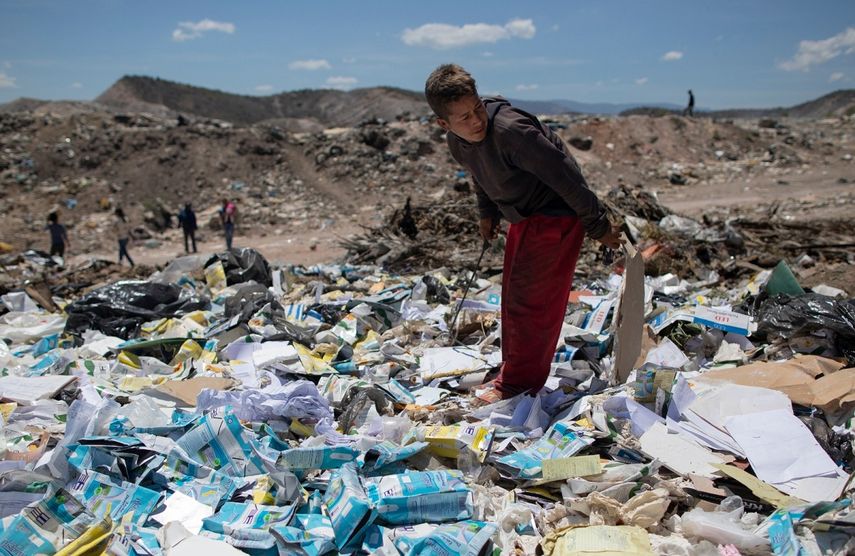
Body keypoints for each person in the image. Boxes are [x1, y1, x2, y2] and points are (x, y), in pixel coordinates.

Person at [425, 64, 621, 404]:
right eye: (463, 118)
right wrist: (487, 212)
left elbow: (565, 178)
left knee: (532, 304)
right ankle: (513, 375)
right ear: (445, 124)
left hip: (556, 212)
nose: (476, 121)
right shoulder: (457, 143)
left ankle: (519, 386)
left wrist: (599, 225)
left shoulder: (512, 131)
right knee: (513, 300)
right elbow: (479, 171)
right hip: (524, 216)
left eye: (477, 109)